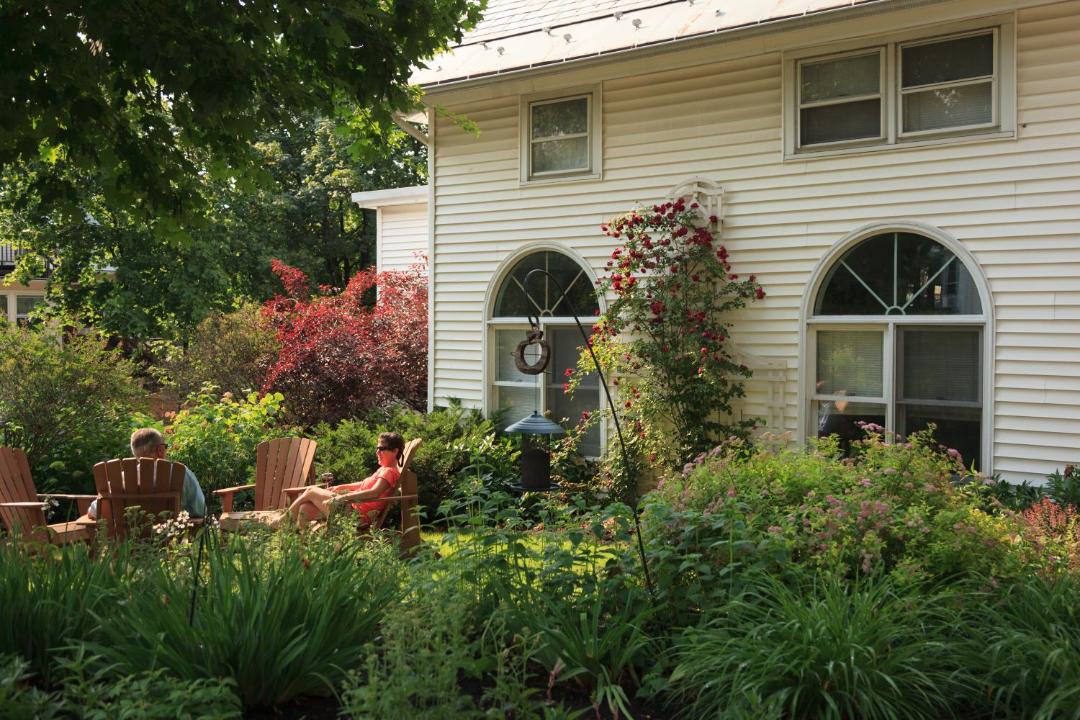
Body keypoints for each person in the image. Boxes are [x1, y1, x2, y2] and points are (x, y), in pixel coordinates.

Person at [283, 432, 405, 527]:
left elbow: (375, 492)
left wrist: (341, 498)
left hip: (354, 515)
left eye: (381, 448)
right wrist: (340, 488)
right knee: (305, 508)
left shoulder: (389, 471)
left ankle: (280, 521)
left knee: (311, 491)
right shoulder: (384, 469)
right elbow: (362, 484)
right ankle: (301, 547)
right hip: (349, 508)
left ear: (395, 451)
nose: (377, 452)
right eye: (377, 448)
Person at [87, 428, 206, 520]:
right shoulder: (181, 472)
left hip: (130, 543)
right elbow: (200, 509)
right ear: (160, 450)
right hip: (172, 541)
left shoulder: (121, 479)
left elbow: (94, 512)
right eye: (165, 447)